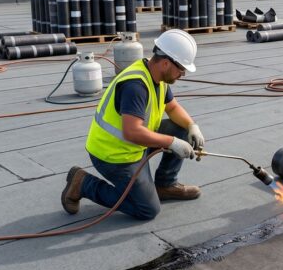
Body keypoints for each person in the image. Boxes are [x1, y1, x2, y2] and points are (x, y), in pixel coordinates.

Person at [61, 29, 205, 220]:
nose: (183, 74)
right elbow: (131, 132)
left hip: (134, 145)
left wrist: (192, 126)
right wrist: (172, 142)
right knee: (147, 209)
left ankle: (165, 185)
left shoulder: (158, 77)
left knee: (181, 129)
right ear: (165, 63)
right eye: (181, 69)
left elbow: (172, 108)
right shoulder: (135, 86)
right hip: (114, 155)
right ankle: (82, 183)